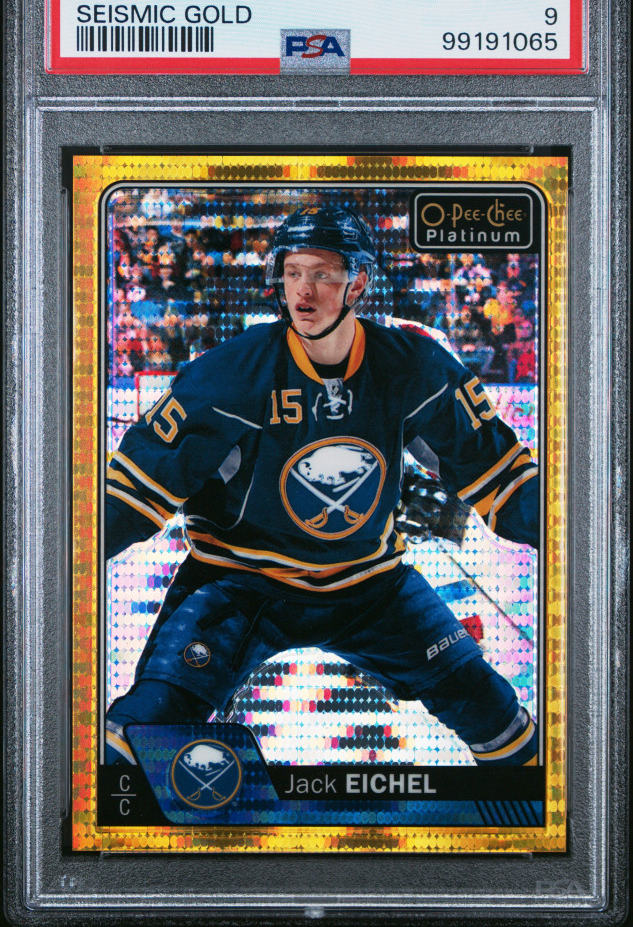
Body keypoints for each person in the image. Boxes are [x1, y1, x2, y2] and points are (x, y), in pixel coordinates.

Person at [105, 206, 539, 769]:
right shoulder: (229, 375)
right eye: (293, 273)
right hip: (239, 584)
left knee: (498, 718)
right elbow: (128, 499)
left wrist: (577, 532)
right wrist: (54, 562)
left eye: (322, 274)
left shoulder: (413, 367)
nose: (303, 292)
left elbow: (505, 480)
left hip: (371, 586)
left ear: (357, 283)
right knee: (141, 731)